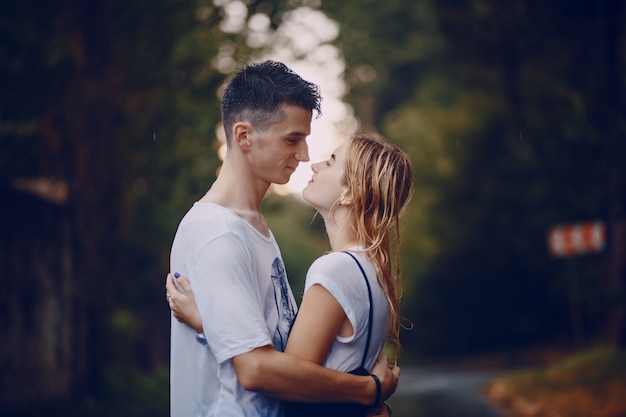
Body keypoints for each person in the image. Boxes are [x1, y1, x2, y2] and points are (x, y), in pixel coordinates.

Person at [166, 60, 399, 417]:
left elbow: (279, 353)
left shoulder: (256, 228)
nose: (305, 156)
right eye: (292, 139)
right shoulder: (219, 234)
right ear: (244, 136)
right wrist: (368, 390)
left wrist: (209, 323)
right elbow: (255, 368)